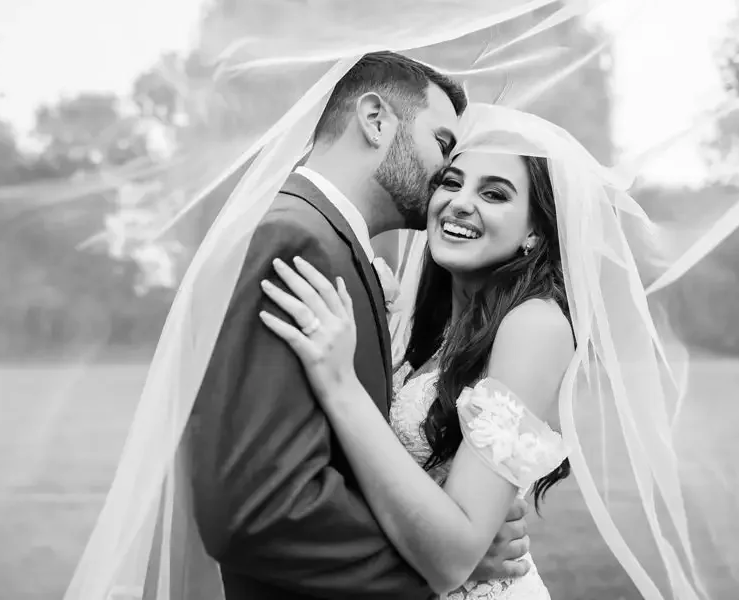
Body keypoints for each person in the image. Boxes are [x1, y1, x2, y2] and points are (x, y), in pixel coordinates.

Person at [258, 103, 709, 600]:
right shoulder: (429, 324)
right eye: (450, 183)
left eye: (493, 194)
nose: (460, 203)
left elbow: (452, 557)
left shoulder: (535, 325)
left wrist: (340, 384)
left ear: (535, 231)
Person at [181, 53, 538, 600]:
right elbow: (258, 503)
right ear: (375, 120)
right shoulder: (299, 240)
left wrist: (456, 541)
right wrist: (447, 564)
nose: (446, 182)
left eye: (493, 192)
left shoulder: (329, 242)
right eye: (443, 145)